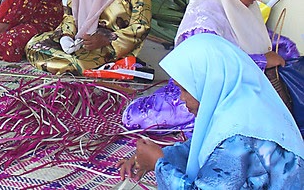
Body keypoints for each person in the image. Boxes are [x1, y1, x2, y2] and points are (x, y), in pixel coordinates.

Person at [122, 0, 299, 131]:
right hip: (201, 93)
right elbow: (207, 71)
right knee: (140, 117)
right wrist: (262, 60)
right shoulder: (204, 22)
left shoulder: (240, 8)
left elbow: (260, 37)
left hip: (238, 86)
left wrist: (286, 52)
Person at [117, 33, 303, 189]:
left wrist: (160, 165)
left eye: (186, 90)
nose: (181, 99)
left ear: (210, 84)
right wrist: (155, 156)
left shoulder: (237, 136)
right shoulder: (240, 102)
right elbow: (203, 148)